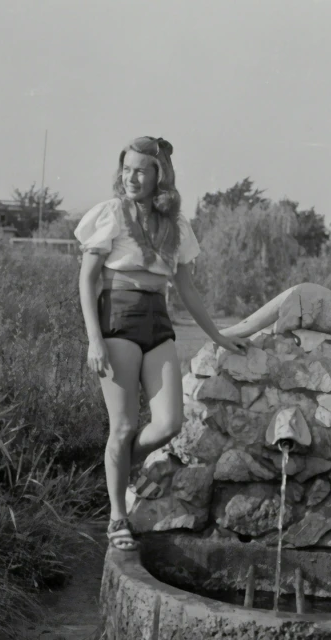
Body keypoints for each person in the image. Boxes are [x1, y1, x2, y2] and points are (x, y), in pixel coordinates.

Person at [76, 136, 246, 551]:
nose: (130, 177)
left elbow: (186, 289)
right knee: (125, 426)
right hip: (117, 319)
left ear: (159, 177)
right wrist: (93, 341)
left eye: (140, 170)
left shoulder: (177, 226)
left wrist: (218, 335)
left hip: (158, 322)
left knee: (169, 423)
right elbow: (87, 280)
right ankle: (118, 519)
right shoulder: (111, 214)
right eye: (126, 169)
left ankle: (112, 472)